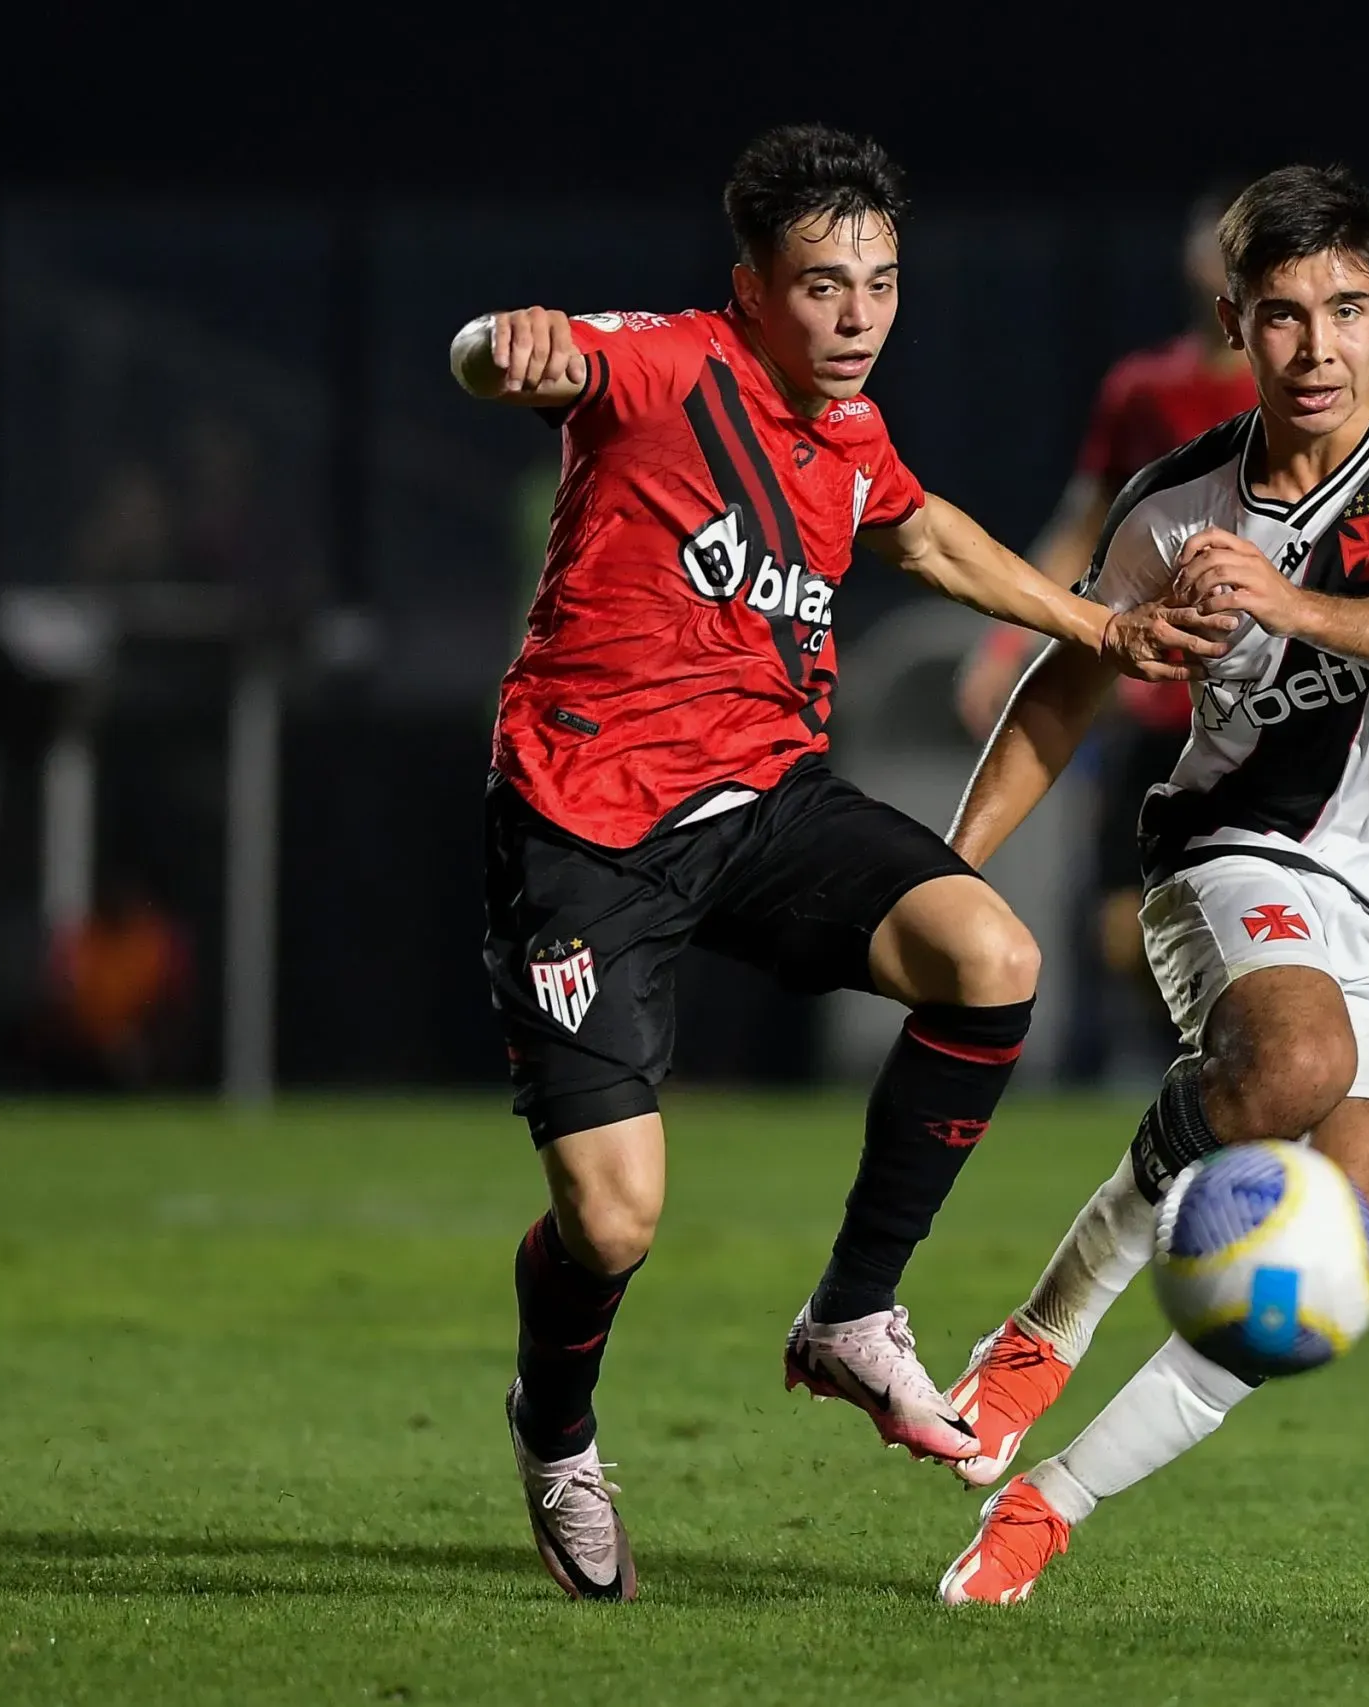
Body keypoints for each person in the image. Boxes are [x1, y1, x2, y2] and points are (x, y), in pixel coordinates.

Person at [447, 124, 1221, 1603]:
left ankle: (853, 1311)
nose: (858, 311)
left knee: (991, 953)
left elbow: (923, 534)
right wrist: (505, 343)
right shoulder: (670, 363)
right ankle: (555, 1430)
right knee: (613, 1217)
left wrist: (1102, 628)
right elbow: (501, 356)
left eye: (879, 280)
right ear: (751, 287)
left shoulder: (845, 430)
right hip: (585, 822)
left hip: (764, 799)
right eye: (821, 284)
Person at [931, 165, 1369, 1604]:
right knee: (1291, 1060)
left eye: (1342, 312)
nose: (1314, 349)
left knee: (1323, 1254)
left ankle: (1053, 1504)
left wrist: (1280, 599)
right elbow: (1059, 697)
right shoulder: (1170, 509)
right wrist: (939, 871)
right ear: (1232, 325)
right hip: (1236, 848)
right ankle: (1041, 1333)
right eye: (1279, 316)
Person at [953, 192, 1261, 1081]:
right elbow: (1085, 523)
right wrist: (1002, 646)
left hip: (1271, 697)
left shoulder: (1302, 394)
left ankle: (1249, 1068)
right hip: (1160, 697)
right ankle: (1202, 1061)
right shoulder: (1144, 389)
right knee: (1123, 923)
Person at [38, 872, 195, 1090]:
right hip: (87, 1038)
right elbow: (62, 997)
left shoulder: (155, 939)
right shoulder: (82, 939)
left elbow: (173, 999)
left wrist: (134, 1035)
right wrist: (102, 1036)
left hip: (143, 1036)